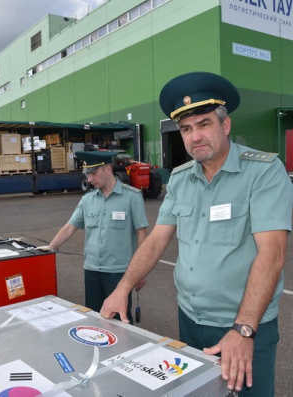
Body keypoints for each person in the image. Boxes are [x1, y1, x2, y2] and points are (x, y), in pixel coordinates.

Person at [100, 71, 293, 396]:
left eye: (204, 124)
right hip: (189, 319)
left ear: (225, 125)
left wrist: (244, 331)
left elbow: (272, 255)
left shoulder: (263, 172)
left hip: (244, 324)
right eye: (186, 129)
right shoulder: (180, 178)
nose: (194, 137)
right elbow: (158, 239)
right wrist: (123, 288)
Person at [47, 150, 148, 322]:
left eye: (93, 173)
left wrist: (141, 271)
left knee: (118, 319)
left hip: (119, 272)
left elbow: (141, 234)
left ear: (107, 169)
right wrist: (48, 249)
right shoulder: (88, 200)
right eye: (88, 174)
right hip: (92, 270)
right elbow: (69, 227)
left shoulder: (132, 197)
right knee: (93, 317)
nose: (90, 180)